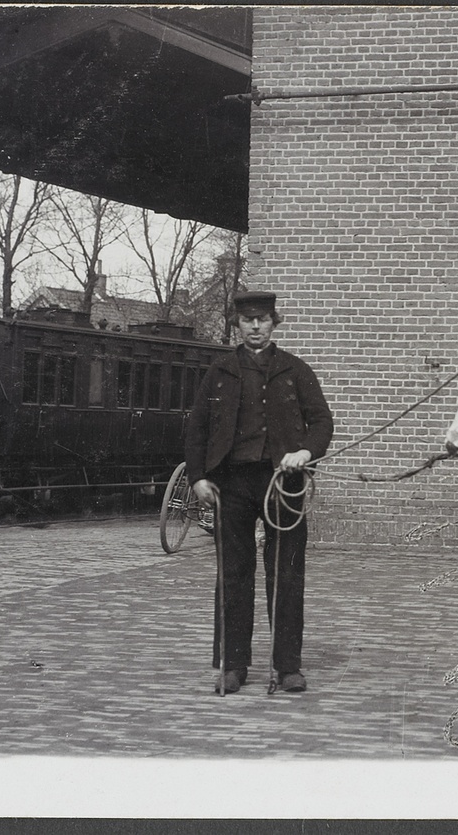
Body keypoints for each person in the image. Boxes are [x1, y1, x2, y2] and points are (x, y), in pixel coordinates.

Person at [185, 291, 334, 694]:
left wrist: (304, 452)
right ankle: (233, 665)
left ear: (274, 322)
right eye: (248, 320)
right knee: (232, 574)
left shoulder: (295, 370)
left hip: (282, 485)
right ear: (237, 324)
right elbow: (196, 429)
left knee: (286, 574)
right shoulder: (219, 371)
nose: (255, 327)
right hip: (230, 485)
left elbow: (322, 422)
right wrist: (198, 477)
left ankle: (287, 666)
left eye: (263, 320)